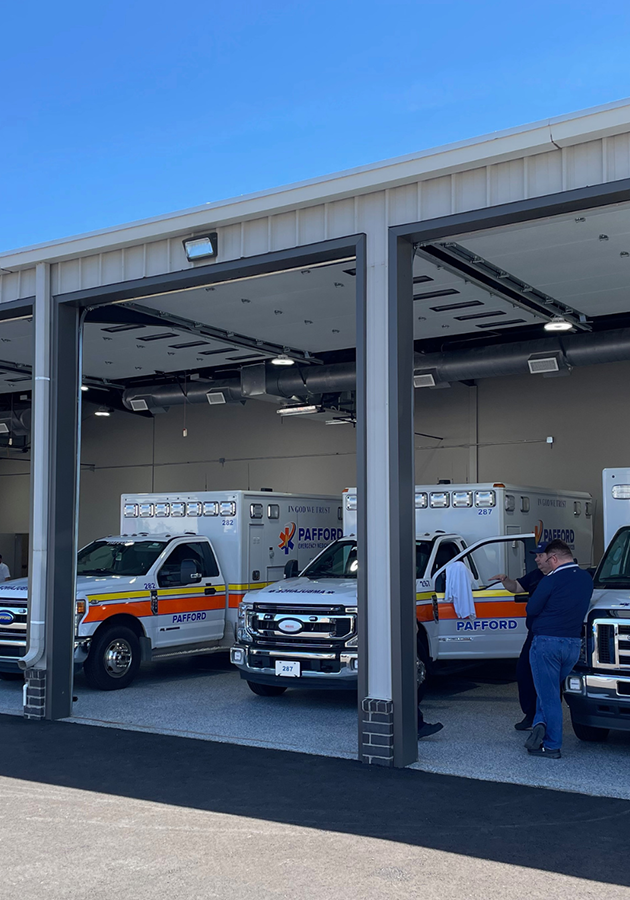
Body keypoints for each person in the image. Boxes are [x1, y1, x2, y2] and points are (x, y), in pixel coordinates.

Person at [524, 539, 593, 759]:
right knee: (550, 691)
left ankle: (551, 745)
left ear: (554, 558)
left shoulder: (550, 580)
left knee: (549, 695)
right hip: (572, 645)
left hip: (546, 643)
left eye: (545, 558)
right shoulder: (586, 579)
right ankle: (540, 723)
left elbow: (531, 608)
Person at [490, 541, 553, 731]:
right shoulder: (535, 575)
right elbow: (517, 587)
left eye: (540, 556)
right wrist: (505, 579)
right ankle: (530, 714)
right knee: (524, 671)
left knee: (549, 677)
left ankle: (547, 718)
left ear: (552, 558)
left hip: (552, 634)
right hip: (534, 633)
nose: (536, 559)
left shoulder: (559, 578)